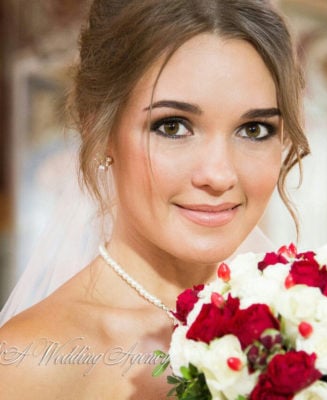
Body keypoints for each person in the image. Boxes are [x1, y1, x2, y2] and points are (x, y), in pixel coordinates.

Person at [0, 0, 309, 398]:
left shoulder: (313, 324)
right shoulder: (25, 362)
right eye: (173, 126)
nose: (219, 175)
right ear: (100, 128)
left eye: (253, 129)